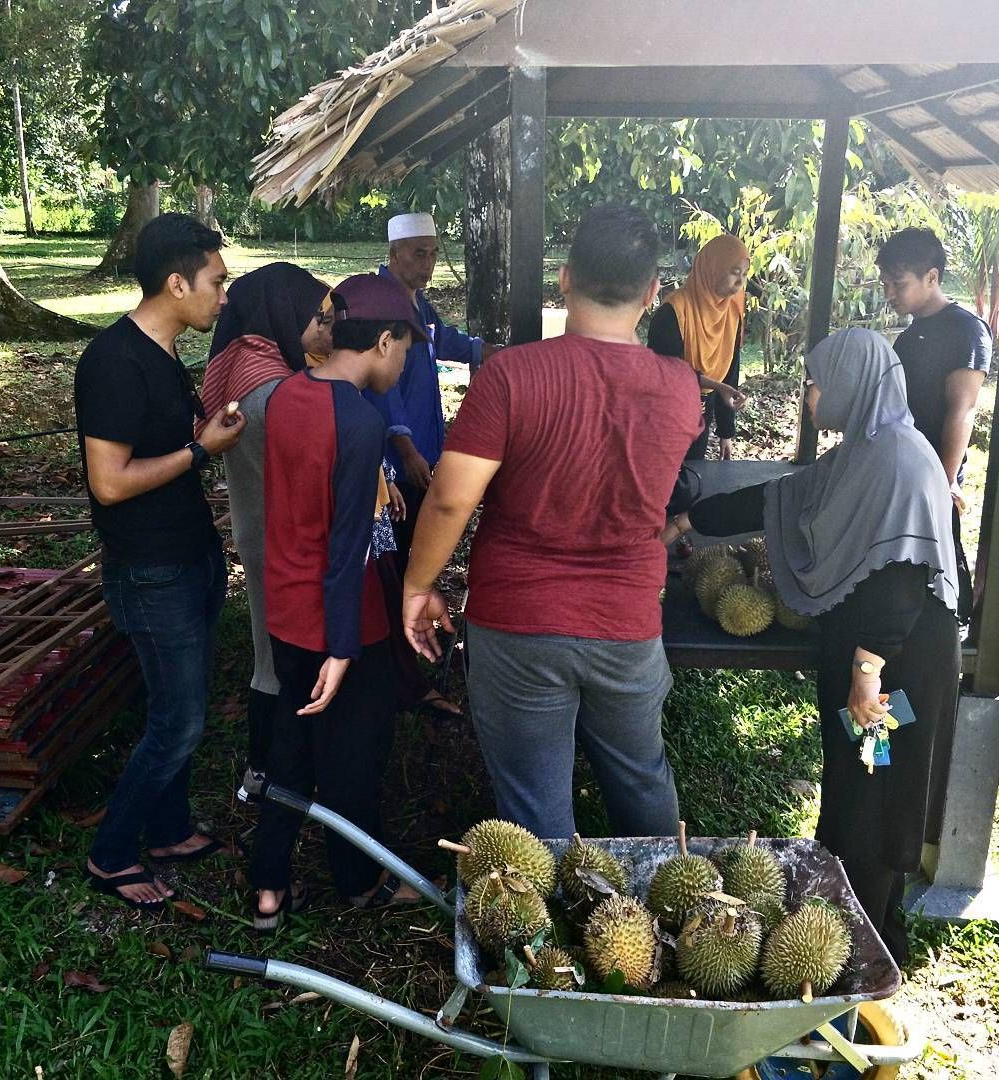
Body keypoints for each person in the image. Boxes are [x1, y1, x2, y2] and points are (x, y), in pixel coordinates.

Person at [402, 204, 704, 842]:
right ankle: (677, 915)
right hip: (627, 622)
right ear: (652, 294)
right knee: (641, 777)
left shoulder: (512, 376)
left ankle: (544, 936)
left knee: (535, 812)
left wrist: (417, 585)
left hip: (519, 622)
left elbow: (452, 499)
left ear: (564, 279)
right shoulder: (679, 387)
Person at [669, 328, 960, 963]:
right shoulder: (867, 450)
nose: (809, 393)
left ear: (856, 384)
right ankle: (854, 910)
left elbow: (901, 585)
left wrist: (866, 673)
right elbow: (784, 496)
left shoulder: (897, 461)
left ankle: (870, 933)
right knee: (858, 779)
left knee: (875, 779)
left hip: (895, 666)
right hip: (875, 654)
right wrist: (691, 522)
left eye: (819, 381)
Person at [75, 213, 245, 911]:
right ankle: (111, 852)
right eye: (216, 282)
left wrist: (201, 437)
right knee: (177, 721)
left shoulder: (166, 351)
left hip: (188, 553)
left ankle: (170, 829)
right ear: (177, 283)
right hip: (150, 570)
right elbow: (108, 481)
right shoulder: (114, 362)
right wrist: (202, 451)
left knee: (182, 706)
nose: (223, 295)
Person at [249, 273, 429, 929]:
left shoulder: (291, 394)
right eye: (405, 348)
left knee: (290, 751)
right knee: (354, 760)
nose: (405, 362)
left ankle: (269, 886)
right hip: (342, 626)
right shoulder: (360, 422)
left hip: (286, 610)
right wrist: (345, 648)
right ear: (383, 341)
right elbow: (348, 548)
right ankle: (359, 882)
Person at [199, 262, 333, 804]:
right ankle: (272, 777)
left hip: (262, 535)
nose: (327, 329)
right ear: (284, 312)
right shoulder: (272, 391)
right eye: (318, 317)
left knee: (267, 653)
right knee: (283, 662)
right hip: (291, 546)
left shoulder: (248, 365)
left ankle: (266, 774)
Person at [363, 211, 500, 718]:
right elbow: (383, 391)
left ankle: (415, 647)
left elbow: (444, 339)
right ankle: (404, 673)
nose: (428, 263)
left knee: (418, 555)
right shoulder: (380, 303)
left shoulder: (416, 304)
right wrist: (406, 448)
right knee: (399, 562)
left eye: (434, 253)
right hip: (393, 469)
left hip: (422, 452)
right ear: (395, 251)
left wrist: (491, 351)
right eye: (419, 253)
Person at [876, 226, 991, 623]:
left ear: (932, 277)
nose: (890, 294)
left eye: (899, 284)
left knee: (940, 552)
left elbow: (963, 410)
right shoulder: (911, 335)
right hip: (902, 464)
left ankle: (951, 629)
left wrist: (945, 480)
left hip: (935, 469)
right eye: (886, 283)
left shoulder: (966, 330)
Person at [648, 233, 750, 461]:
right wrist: (717, 386)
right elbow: (666, 374)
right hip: (666, 415)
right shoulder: (674, 312)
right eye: (734, 273)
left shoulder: (732, 312)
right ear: (712, 268)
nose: (740, 282)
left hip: (704, 410)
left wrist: (726, 432)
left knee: (693, 474)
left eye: (744, 274)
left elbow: (730, 371)